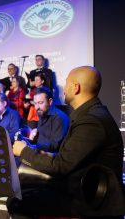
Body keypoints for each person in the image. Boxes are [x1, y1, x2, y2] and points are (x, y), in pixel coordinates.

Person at [9, 66, 125, 218]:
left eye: (67, 82)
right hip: (81, 189)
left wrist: (23, 151)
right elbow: (68, 158)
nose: (64, 88)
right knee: (22, 193)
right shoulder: (90, 115)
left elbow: (61, 166)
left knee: (18, 202)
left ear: (76, 87)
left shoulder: (91, 121)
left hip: (91, 201)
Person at [28, 87, 69, 153]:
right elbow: (41, 137)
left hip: (49, 158)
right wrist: (29, 140)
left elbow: (55, 146)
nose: (37, 107)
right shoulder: (42, 112)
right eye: (35, 103)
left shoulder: (59, 118)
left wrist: (33, 147)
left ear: (50, 102)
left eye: (40, 103)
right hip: (39, 153)